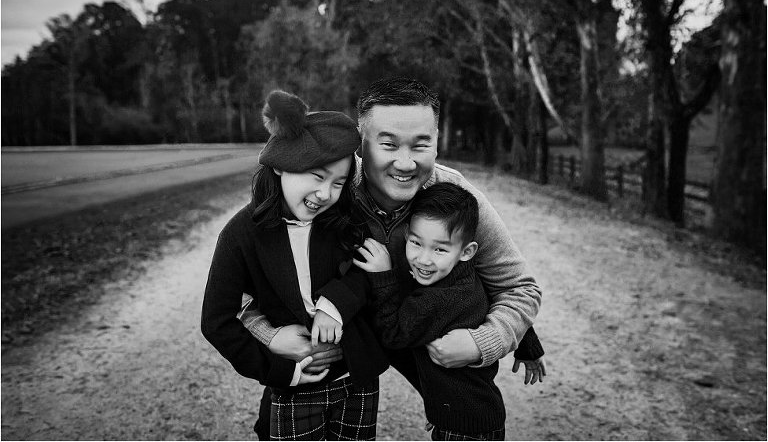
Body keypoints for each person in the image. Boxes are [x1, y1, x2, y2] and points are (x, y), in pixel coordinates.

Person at [241, 77, 546, 438]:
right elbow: (247, 287)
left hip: (422, 330)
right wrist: (273, 337)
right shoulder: (322, 192)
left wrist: (486, 342)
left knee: (469, 413)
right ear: (360, 142)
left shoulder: (457, 200)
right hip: (347, 340)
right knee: (286, 415)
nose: (405, 163)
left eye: (421, 144)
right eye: (388, 144)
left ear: (437, 140)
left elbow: (519, 288)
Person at [201, 90, 388, 440]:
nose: (325, 194)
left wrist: (335, 303)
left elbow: (369, 272)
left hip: (356, 376)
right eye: (317, 176)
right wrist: (279, 367)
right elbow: (216, 321)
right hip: (294, 384)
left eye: (338, 183)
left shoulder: (342, 220)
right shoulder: (241, 234)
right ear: (280, 165)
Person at [355, 182, 543, 440]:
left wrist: (383, 277)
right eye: (416, 243)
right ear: (406, 234)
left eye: (440, 249)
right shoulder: (465, 276)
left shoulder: (438, 299)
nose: (423, 259)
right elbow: (492, 296)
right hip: (474, 415)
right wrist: (528, 346)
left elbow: (393, 334)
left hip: (464, 427)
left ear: (467, 252)